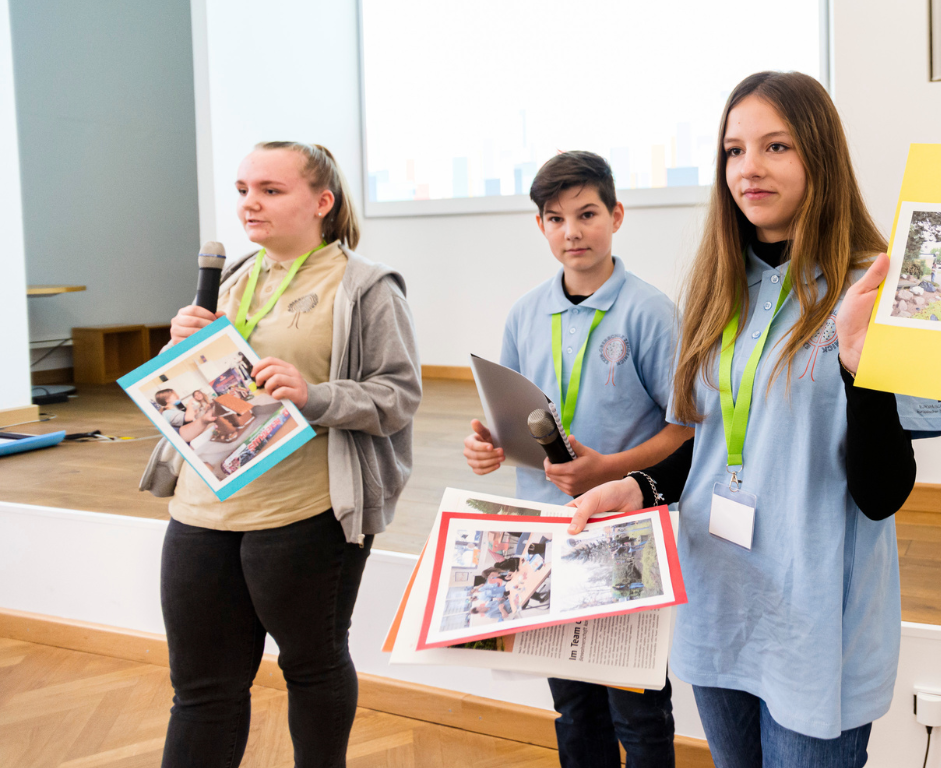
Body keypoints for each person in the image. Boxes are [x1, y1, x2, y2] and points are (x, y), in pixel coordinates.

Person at [566, 71, 922, 768]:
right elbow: (704, 445)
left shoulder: (878, 287)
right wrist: (633, 488)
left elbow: (884, 492)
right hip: (720, 601)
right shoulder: (718, 285)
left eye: (776, 146)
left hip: (814, 624)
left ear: (820, 157)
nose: (748, 168)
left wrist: (859, 368)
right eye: (733, 150)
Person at [144, 141, 421, 768]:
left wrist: (315, 396)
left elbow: (399, 395)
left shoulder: (365, 286)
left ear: (321, 202)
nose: (250, 203)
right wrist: (178, 353)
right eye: (244, 189)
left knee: (313, 667)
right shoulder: (233, 278)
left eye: (270, 190)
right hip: (202, 511)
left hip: (303, 513)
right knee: (201, 690)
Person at [461, 150, 691, 768]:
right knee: (573, 705)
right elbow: (511, 421)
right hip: (546, 531)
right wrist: (488, 446)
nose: (573, 231)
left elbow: (686, 433)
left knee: (637, 710)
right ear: (541, 227)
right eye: (556, 218)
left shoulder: (650, 311)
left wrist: (610, 468)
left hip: (623, 533)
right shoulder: (525, 312)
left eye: (587, 214)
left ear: (616, 215)